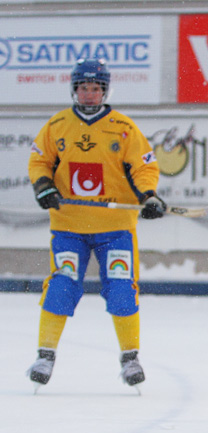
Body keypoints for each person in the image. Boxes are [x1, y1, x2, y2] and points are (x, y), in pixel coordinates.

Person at [26, 58, 166, 390]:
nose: (90, 94)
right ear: (75, 90)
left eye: (96, 88)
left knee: (121, 290)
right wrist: (44, 187)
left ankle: (130, 358)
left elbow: (143, 167)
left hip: (115, 228)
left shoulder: (124, 127)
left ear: (105, 90)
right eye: (84, 88)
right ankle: (45, 355)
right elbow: (40, 161)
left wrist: (148, 196)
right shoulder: (57, 125)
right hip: (69, 226)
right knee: (61, 286)